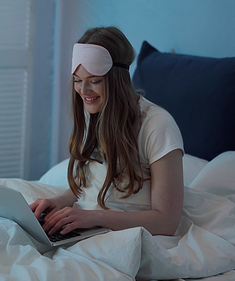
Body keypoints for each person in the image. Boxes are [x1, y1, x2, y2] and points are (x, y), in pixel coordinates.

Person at [30, 27, 184, 237]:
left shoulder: (157, 125)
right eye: (77, 80)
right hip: (89, 225)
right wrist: (56, 203)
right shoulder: (95, 111)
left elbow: (167, 222)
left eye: (94, 81)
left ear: (117, 81)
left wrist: (95, 217)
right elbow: (90, 184)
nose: (83, 92)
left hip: (126, 234)